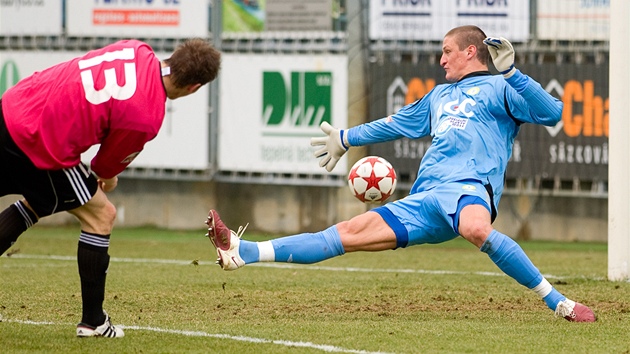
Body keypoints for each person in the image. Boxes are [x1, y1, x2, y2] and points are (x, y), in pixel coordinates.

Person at [205, 25, 596, 322]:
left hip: (469, 187)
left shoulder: (501, 88)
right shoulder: (439, 96)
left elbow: (553, 113)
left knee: (477, 228)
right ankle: (244, 253)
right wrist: (345, 137)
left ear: (470, 52)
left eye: (447, 52)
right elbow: (395, 123)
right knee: (346, 233)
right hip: (425, 198)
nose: (441, 60)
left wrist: (513, 73)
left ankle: (557, 302)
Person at [0, 38, 221, 337]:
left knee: (43, 199)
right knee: (101, 215)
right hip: (39, 141)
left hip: (14, 106)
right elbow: (103, 169)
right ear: (194, 87)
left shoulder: (137, 49)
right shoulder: (147, 114)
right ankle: (93, 322)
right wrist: (110, 177)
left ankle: (93, 321)